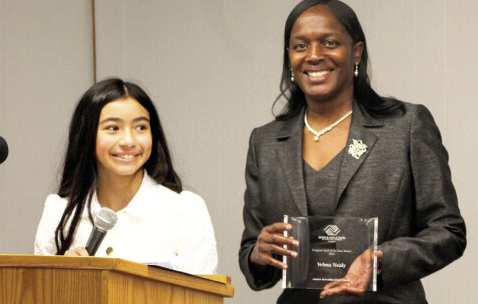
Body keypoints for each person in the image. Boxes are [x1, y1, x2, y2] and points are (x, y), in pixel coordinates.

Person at [238, 0, 466, 303]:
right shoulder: (264, 143)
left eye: (330, 43)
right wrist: (259, 253)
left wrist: (382, 260)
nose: (315, 55)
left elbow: (449, 231)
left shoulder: (406, 126)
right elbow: (252, 254)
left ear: (356, 51)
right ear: (289, 57)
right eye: (300, 46)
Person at [35, 78, 217, 275]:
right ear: (87, 135)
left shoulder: (185, 210)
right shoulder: (60, 211)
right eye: (113, 128)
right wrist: (63, 277)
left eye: (140, 127)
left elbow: (204, 296)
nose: (129, 141)